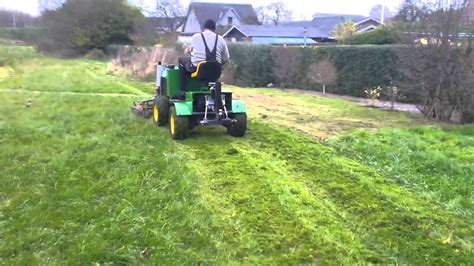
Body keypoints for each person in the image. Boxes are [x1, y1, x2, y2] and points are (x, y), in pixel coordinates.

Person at [176, 19, 230, 100]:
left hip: (198, 69)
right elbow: (226, 58)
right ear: (214, 29)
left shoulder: (196, 37)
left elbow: (194, 52)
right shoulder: (221, 39)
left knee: (181, 60)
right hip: (215, 71)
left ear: (204, 28)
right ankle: (211, 91)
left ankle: (182, 91)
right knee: (212, 69)